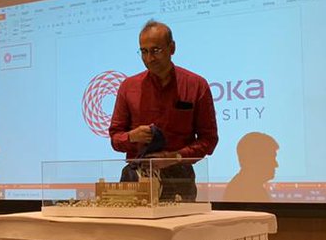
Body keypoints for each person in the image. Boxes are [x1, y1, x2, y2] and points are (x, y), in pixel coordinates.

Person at [108, 20, 218, 200]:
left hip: (179, 178)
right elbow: (115, 138)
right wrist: (132, 137)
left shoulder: (196, 85)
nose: (149, 58)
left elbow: (209, 139)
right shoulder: (128, 87)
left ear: (172, 48)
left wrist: (174, 157)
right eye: (144, 51)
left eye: (156, 50)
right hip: (136, 179)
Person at [222, 132, 280, 203]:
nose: (276, 164)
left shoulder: (250, 187)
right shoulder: (242, 190)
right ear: (256, 159)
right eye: (271, 158)